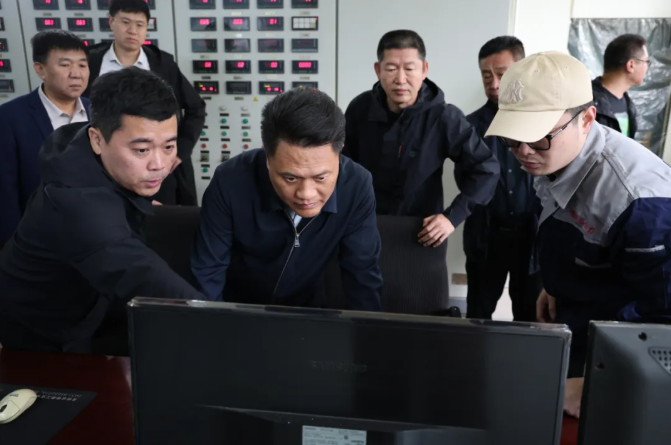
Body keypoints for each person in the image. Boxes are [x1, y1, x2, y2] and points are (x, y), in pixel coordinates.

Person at [485, 51, 671, 419]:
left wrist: (598, 382)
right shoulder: (554, 156)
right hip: (578, 320)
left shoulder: (640, 204)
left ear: (586, 119)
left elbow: (663, 327)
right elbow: (565, 219)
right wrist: (556, 283)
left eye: (538, 137)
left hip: (624, 357)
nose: (523, 152)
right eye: (512, 137)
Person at [0, 68, 203, 354]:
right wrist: (224, 321)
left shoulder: (79, 142)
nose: (159, 164)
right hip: (44, 329)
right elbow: (141, 273)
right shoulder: (78, 205)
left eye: (168, 146)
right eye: (142, 150)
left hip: (90, 295)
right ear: (97, 140)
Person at [191, 87, 382, 311]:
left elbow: (362, 275)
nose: (306, 194)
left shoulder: (357, 185)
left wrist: (367, 331)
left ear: (338, 155)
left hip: (307, 313)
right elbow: (208, 272)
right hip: (238, 309)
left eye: (320, 177)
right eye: (290, 178)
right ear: (267, 156)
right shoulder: (230, 180)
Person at [343, 30, 498, 247]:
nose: (400, 79)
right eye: (391, 69)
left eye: (409, 69)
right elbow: (341, 167)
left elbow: (486, 168)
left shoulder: (444, 117)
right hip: (364, 227)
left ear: (424, 70)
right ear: (378, 70)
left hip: (422, 232)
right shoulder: (360, 109)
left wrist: (452, 217)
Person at [83, 0, 205, 206]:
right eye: (126, 22)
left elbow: (196, 108)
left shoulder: (162, 63)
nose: (133, 30)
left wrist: (179, 151)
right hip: (104, 168)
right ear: (111, 21)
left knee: (161, 219)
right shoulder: (90, 61)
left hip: (156, 172)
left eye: (140, 24)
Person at [463, 36, 541, 322]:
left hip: (533, 236)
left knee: (529, 315)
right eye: (487, 76)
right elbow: (466, 182)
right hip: (487, 235)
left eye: (502, 74)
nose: (494, 84)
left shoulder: (544, 122)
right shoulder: (469, 126)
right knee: (478, 314)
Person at [0, 30, 90, 248]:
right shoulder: (10, 117)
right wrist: (11, 248)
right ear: (40, 69)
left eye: (82, 65)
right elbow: (4, 192)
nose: (76, 74)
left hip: (97, 235)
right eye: (65, 65)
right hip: (39, 241)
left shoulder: (98, 111)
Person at [591, 34, 649, 139]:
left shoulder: (629, 105)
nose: (647, 68)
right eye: (646, 61)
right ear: (631, 65)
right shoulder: (586, 100)